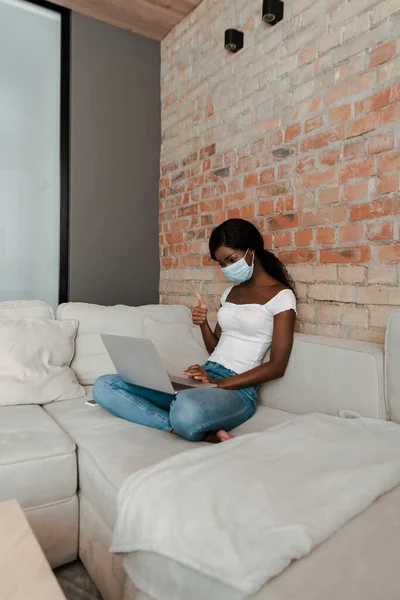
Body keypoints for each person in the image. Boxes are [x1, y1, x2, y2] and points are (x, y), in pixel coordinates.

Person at [93, 218, 296, 443]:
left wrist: (219, 383)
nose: (228, 268)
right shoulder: (230, 294)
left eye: (231, 260)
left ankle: (182, 420)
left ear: (252, 250)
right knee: (105, 385)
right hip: (206, 378)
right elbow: (215, 347)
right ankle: (179, 428)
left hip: (238, 390)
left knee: (186, 409)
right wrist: (203, 324)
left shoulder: (282, 296)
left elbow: (277, 366)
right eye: (222, 264)